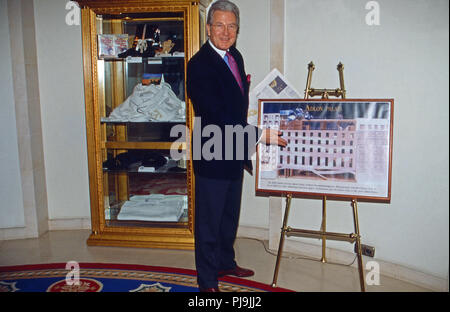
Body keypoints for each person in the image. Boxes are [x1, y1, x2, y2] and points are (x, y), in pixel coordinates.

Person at [187, 0, 287, 292]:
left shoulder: (236, 56)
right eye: (219, 24)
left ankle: (225, 262)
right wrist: (260, 134)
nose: (225, 31)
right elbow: (216, 114)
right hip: (212, 149)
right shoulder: (198, 65)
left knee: (229, 215)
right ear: (208, 28)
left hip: (234, 150)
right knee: (209, 220)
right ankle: (207, 280)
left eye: (231, 25)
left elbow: (237, 105)